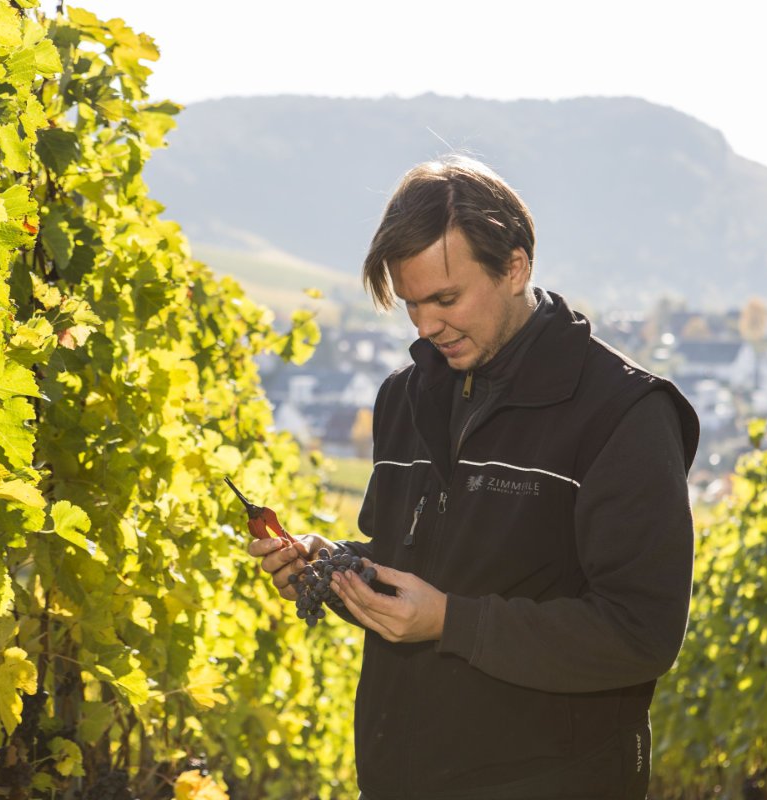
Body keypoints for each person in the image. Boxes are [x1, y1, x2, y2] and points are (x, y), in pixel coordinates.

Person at [250, 155, 698, 800]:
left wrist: (452, 623)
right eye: (411, 304)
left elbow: (641, 634)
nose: (426, 325)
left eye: (446, 298)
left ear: (515, 267)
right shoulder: (402, 398)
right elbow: (417, 572)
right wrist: (335, 569)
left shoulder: (622, 413)